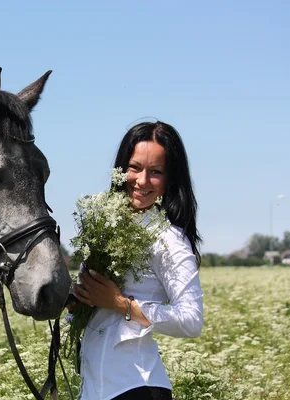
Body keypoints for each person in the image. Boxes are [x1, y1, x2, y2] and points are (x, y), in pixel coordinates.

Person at [71, 121, 204, 400]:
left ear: (170, 179)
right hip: (95, 389)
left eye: (155, 172)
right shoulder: (105, 229)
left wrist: (122, 305)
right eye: (134, 168)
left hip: (137, 387)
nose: (142, 181)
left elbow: (192, 321)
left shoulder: (169, 240)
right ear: (121, 170)